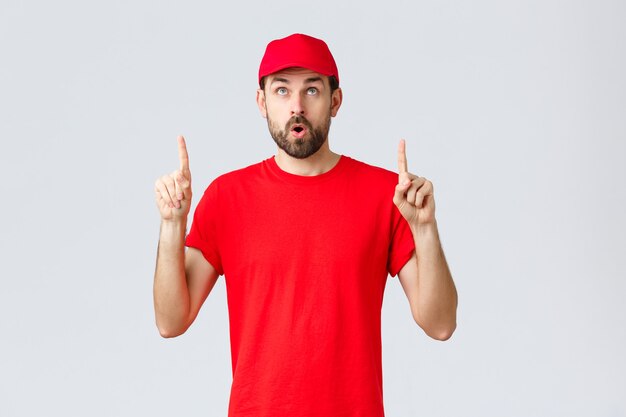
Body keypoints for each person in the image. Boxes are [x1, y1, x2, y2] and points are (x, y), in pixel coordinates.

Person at [153, 33, 457, 417]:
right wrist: (171, 226)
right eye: (282, 91)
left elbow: (441, 324)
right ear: (262, 102)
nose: (296, 106)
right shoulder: (226, 197)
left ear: (335, 101)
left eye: (311, 90)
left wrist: (426, 229)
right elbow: (170, 321)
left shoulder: (386, 195)